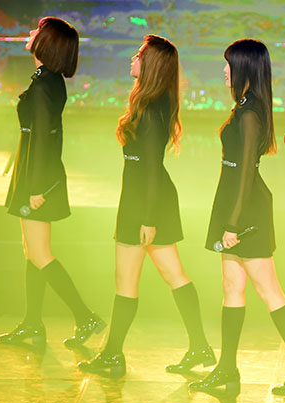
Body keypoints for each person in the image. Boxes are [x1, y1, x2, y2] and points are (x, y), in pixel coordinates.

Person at [78, 35, 214, 379]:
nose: (133, 59)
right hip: (146, 200)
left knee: (128, 280)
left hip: (146, 204)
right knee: (172, 275)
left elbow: (152, 167)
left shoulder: (152, 109)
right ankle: (199, 346)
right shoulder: (151, 103)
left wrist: (148, 218)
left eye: (139, 55)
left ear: (150, 65)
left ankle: (113, 355)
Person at [189, 39, 285, 397]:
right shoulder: (246, 107)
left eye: (229, 64)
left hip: (245, 210)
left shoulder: (249, 113)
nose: (224, 71)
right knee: (232, 287)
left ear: (245, 68)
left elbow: (246, 171)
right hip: (234, 203)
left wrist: (232, 223)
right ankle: (227, 369)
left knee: (269, 290)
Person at [0, 17, 105, 348]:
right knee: (32, 252)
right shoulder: (46, 80)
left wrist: (37, 188)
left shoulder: (46, 84)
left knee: (40, 254)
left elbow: (46, 139)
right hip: (33, 175)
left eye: (38, 31)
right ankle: (32, 323)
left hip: (38, 179)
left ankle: (85, 316)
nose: (31, 34)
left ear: (48, 43)